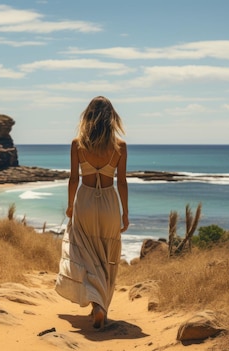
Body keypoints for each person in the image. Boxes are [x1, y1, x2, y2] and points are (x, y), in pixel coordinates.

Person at [55, 96, 129, 330]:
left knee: (85, 253)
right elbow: (123, 182)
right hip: (109, 202)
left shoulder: (78, 144)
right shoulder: (120, 147)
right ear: (111, 119)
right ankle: (100, 305)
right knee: (106, 254)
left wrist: (69, 204)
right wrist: (125, 213)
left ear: (87, 116)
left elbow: (73, 179)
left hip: (85, 201)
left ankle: (95, 304)